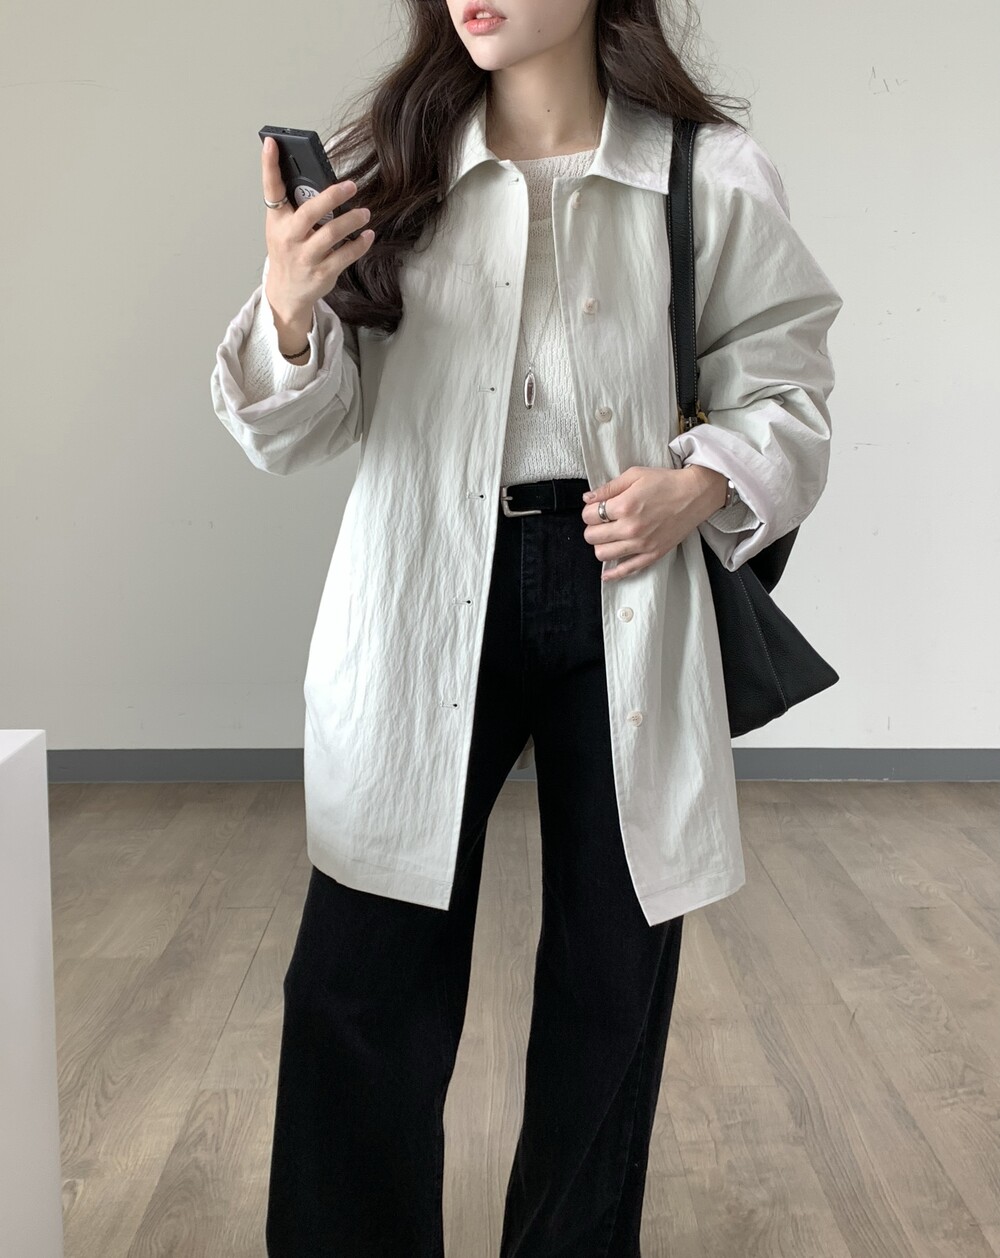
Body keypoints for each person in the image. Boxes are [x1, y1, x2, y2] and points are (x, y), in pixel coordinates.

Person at [209, 1, 843, 1253]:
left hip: (626, 583)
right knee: (358, 978)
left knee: (611, 982)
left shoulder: (707, 174)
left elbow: (787, 384)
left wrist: (699, 484)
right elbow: (302, 430)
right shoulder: (401, 172)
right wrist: (288, 308)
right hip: (423, 580)